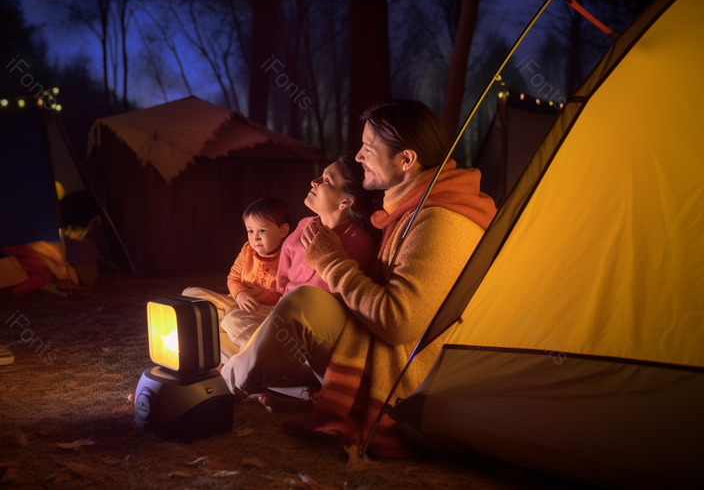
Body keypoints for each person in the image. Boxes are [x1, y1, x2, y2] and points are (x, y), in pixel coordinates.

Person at [221, 100, 497, 457]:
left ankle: (218, 385)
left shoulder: (441, 223)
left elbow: (398, 322)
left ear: (406, 160)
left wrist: (330, 259)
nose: (359, 156)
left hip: (399, 373)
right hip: (362, 342)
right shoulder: (411, 210)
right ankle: (257, 374)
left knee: (305, 305)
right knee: (224, 320)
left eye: (368, 148)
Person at [183, 198, 290, 347]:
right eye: (250, 231)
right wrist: (240, 294)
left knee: (232, 321)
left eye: (262, 230)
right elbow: (233, 278)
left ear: (282, 231)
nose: (255, 237)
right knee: (191, 295)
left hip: (266, 311)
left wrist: (259, 295)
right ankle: (225, 332)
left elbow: (291, 293)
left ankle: (266, 350)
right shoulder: (247, 250)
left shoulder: (289, 254)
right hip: (238, 302)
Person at [277, 155, 379, 301]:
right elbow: (283, 276)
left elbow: (352, 296)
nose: (314, 182)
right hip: (284, 305)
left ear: (345, 201)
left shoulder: (361, 243)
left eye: (326, 180)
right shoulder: (303, 225)